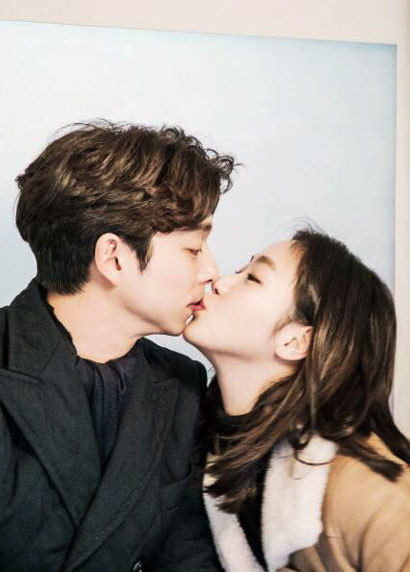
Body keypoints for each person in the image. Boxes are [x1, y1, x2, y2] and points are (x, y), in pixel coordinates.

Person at [0, 121, 235, 571]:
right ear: (113, 258)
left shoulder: (183, 387)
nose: (212, 272)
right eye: (193, 248)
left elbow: (188, 556)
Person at [184, 229, 410, 571]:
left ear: (295, 342)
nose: (221, 282)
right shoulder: (201, 445)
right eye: (241, 271)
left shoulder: (370, 492)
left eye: (253, 278)